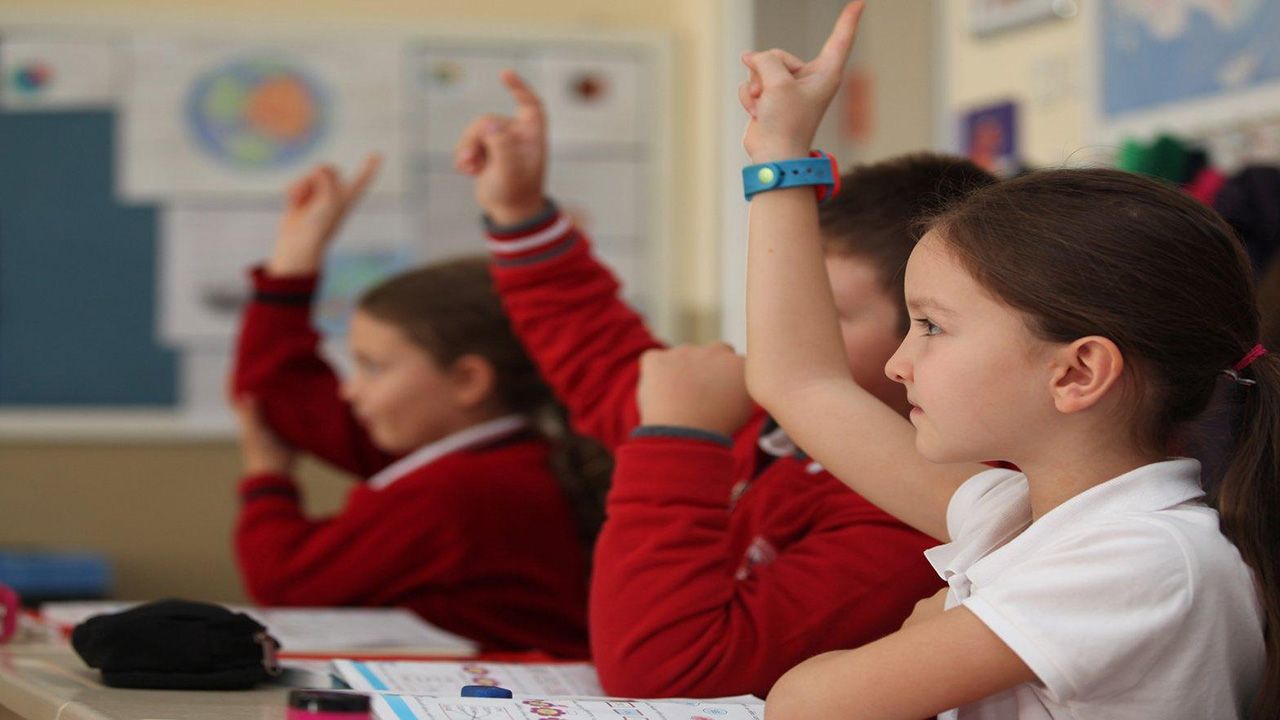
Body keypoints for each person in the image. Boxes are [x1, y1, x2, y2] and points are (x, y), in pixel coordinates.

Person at [740, 3, 1273, 717]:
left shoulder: (1142, 560)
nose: (898, 364)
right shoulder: (1023, 514)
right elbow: (799, 381)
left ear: (1077, 373)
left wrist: (928, 625)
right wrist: (780, 151)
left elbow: (808, 704)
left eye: (932, 327)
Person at [454, 72, 994, 697]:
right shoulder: (758, 420)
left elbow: (670, 672)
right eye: (783, 293)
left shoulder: (924, 512)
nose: (783, 326)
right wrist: (520, 214)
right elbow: (597, 352)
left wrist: (678, 438)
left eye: (827, 312)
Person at [228, 157, 609, 658]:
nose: (349, 390)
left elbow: (287, 579)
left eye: (373, 367)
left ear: (468, 380)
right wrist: (296, 253)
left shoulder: (456, 494)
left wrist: (267, 477)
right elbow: (279, 396)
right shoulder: (500, 456)